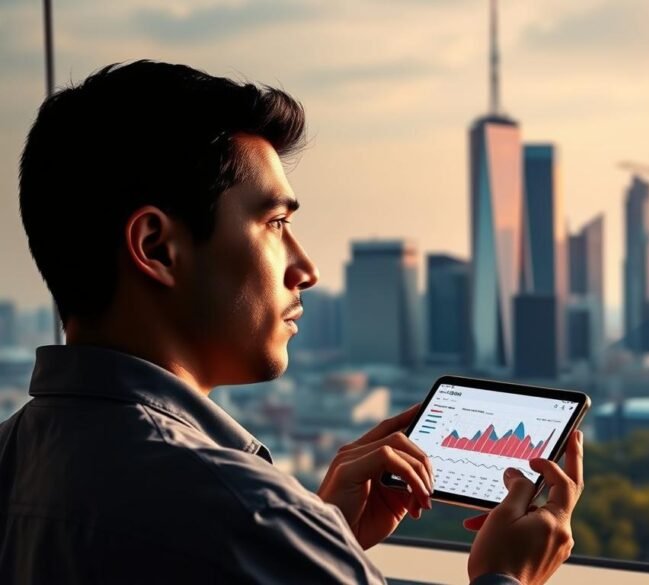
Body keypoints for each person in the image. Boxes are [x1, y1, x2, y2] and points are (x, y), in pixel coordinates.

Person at [0, 60, 583, 584]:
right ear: (157, 248)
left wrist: (324, 541)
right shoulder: (242, 513)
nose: (307, 269)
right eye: (276, 222)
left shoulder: (16, 456)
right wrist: (506, 577)